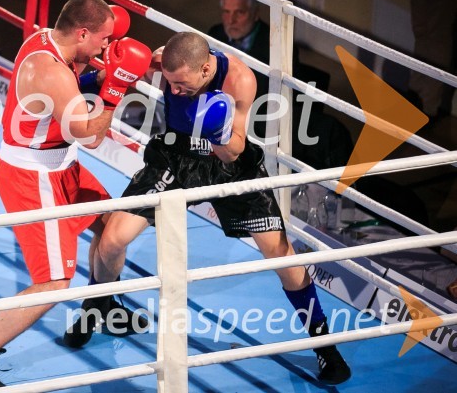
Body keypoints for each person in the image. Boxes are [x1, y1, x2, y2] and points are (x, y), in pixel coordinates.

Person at [63, 31, 352, 385]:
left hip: (229, 164)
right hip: (176, 158)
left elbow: (233, 151)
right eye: (170, 83)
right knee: (111, 241)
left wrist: (216, 130)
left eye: (181, 85)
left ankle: (324, 345)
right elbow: (118, 73)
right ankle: (98, 307)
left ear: (204, 70)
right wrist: (80, 82)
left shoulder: (239, 79)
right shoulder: (165, 61)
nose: (174, 91)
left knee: (282, 256)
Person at [0, 0, 152, 390]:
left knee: (112, 230)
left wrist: (105, 74)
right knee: (54, 281)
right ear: (82, 33)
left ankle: (101, 306)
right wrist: (116, 87)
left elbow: (73, 87)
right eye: (104, 39)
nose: (107, 47)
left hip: (60, 165)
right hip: (34, 177)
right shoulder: (51, 72)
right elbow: (91, 136)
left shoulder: (46, 39)